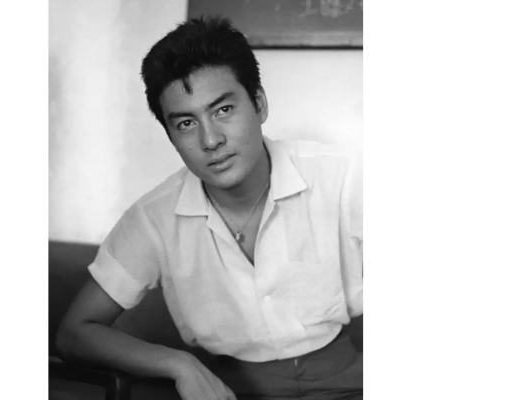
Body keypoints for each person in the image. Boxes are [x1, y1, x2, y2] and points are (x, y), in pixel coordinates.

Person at [56, 16, 363, 400]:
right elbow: (74, 333)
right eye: (186, 123)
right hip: (227, 390)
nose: (211, 140)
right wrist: (178, 364)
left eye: (223, 110)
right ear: (171, 136)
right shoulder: (154, 217)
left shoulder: (342, 176)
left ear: (259, 104)